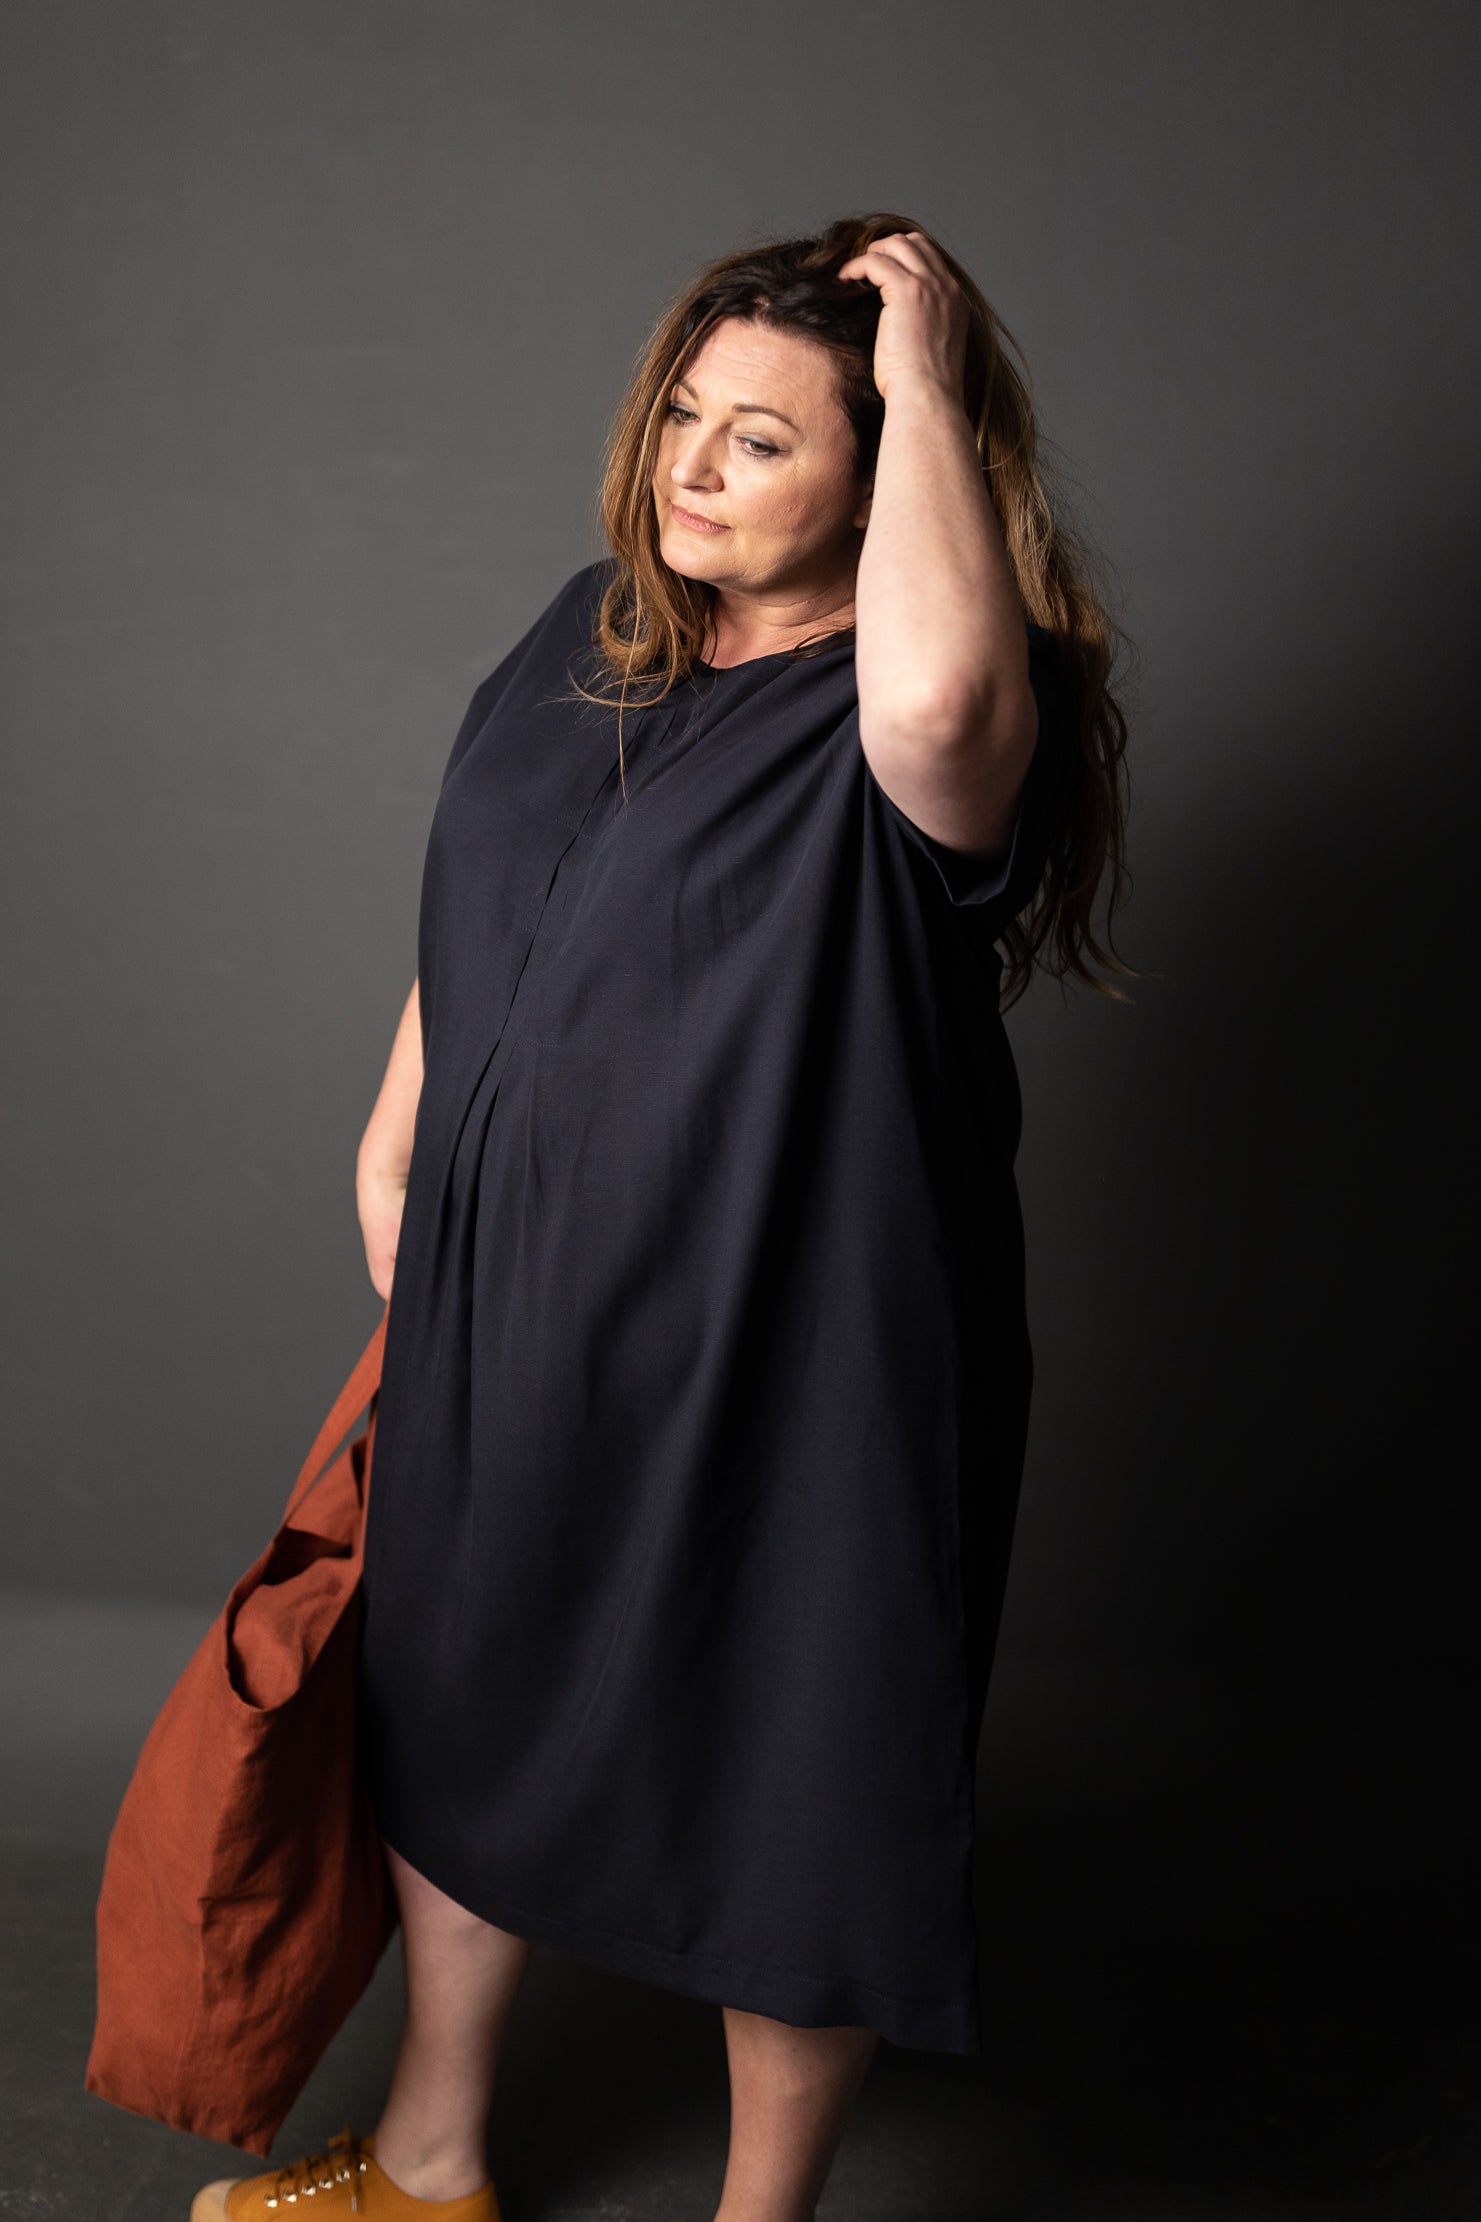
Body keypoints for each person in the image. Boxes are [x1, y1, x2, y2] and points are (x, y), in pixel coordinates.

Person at [191, 212, 1132, 2222]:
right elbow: (494, 871)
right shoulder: (595, 625)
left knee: (797, 1767)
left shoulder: (942, 698)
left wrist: (927, 369)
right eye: (684, 414)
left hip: (801, 1325)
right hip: (523, 1289)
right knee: (460, 1687)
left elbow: (939, 710)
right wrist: (402, 1118)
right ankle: (432, 2158)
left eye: (765, 439)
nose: (692, 466)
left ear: (885, 472)